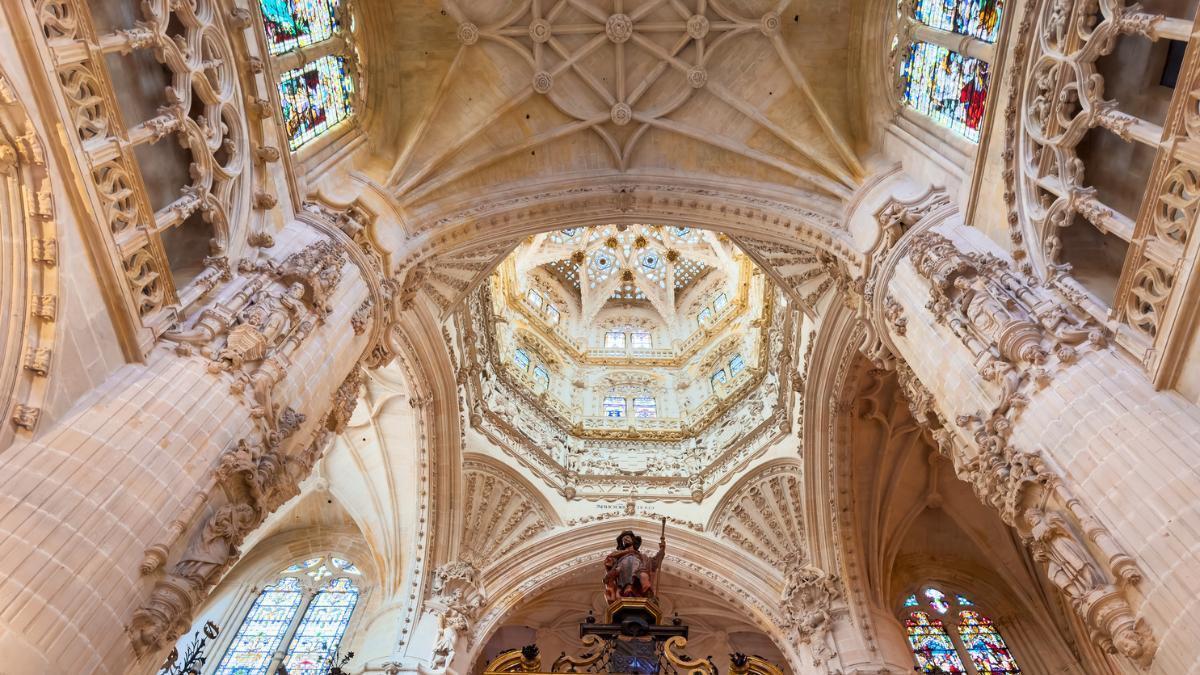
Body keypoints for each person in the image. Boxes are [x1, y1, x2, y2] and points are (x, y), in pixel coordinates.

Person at [602, 530, 665, 603]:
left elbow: (654, 562)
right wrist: (628, 552)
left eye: (627, 537)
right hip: (623, 572)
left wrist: (662, 550)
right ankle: (628, 591)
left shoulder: (642, 557)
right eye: (623, 539)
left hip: (639, 571)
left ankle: (647, 592)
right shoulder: (618, 555)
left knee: (643, 575)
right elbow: (609, 561)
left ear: (633, 540)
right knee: (629, 564)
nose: (625, 539)